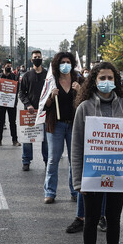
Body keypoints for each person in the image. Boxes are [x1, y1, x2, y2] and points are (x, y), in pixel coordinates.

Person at [71, 61, 123, 244]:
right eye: (102, 78)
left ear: (116, 80)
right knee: (90, 220)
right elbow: (77, 146)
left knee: (114, 220)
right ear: (93, 81)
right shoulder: (84, 108)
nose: (106, 82)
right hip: (92, 174)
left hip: (118, 175)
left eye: (110, 78)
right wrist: (78, 180)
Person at [43, 51, 83, 205]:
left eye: (67, 62)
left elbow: (88, 101)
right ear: (56, 65)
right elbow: (44, 106)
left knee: (75, 160)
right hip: (56, 126)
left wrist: (80, 91)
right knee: (53, 159)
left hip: (74, 125)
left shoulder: (78, 80)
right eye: (62, 62)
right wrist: (51, 97)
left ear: (72, 64)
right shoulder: (51, 81)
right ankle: (50, 192)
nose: (65, 65)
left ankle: (75, 190)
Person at [18, 50, 49, 171]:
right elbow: (21, 93)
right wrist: (28, 105)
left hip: (44, 111)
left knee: (46, 138)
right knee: (27, 138)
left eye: (39, 57)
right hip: (29, 112)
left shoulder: (48, 75)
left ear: (42, 59)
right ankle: (26, 160)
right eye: (35, 57)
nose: (37, 59)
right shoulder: (26, 76)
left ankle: (47, 161)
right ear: (31, 60)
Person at [0, 63, 19, 146]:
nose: (9, 67)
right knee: (0, 122)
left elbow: (18, 89)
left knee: (12, 122)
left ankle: (15, 140)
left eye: (10, 66)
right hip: (1, 103)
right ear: (3, 66)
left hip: (12, 103)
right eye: (7, 65)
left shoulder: (15, 77)